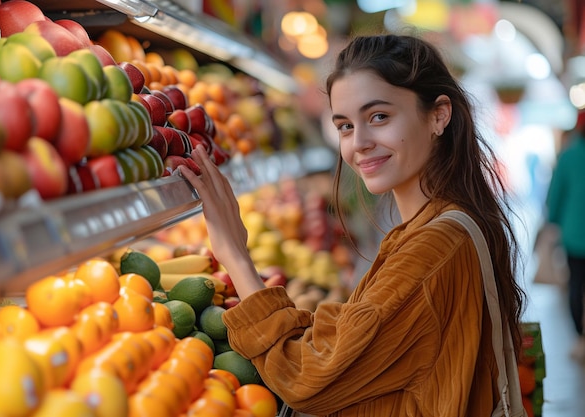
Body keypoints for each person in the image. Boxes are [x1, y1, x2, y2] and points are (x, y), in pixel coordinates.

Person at [179, 33, 526, 417]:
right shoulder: (442, 224)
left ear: (438, 115)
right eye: (345, 125)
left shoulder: (434, 248)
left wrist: (236, 257)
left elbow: (308, 380)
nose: (359, 142)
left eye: (379, 117)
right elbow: (355, 341)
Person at [545, 120, 585, 363]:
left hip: (575, 235)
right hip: (574, 234)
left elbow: (554, 196)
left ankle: (581, 338)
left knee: (576, 286)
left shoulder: (568, 156)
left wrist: (554, 221)